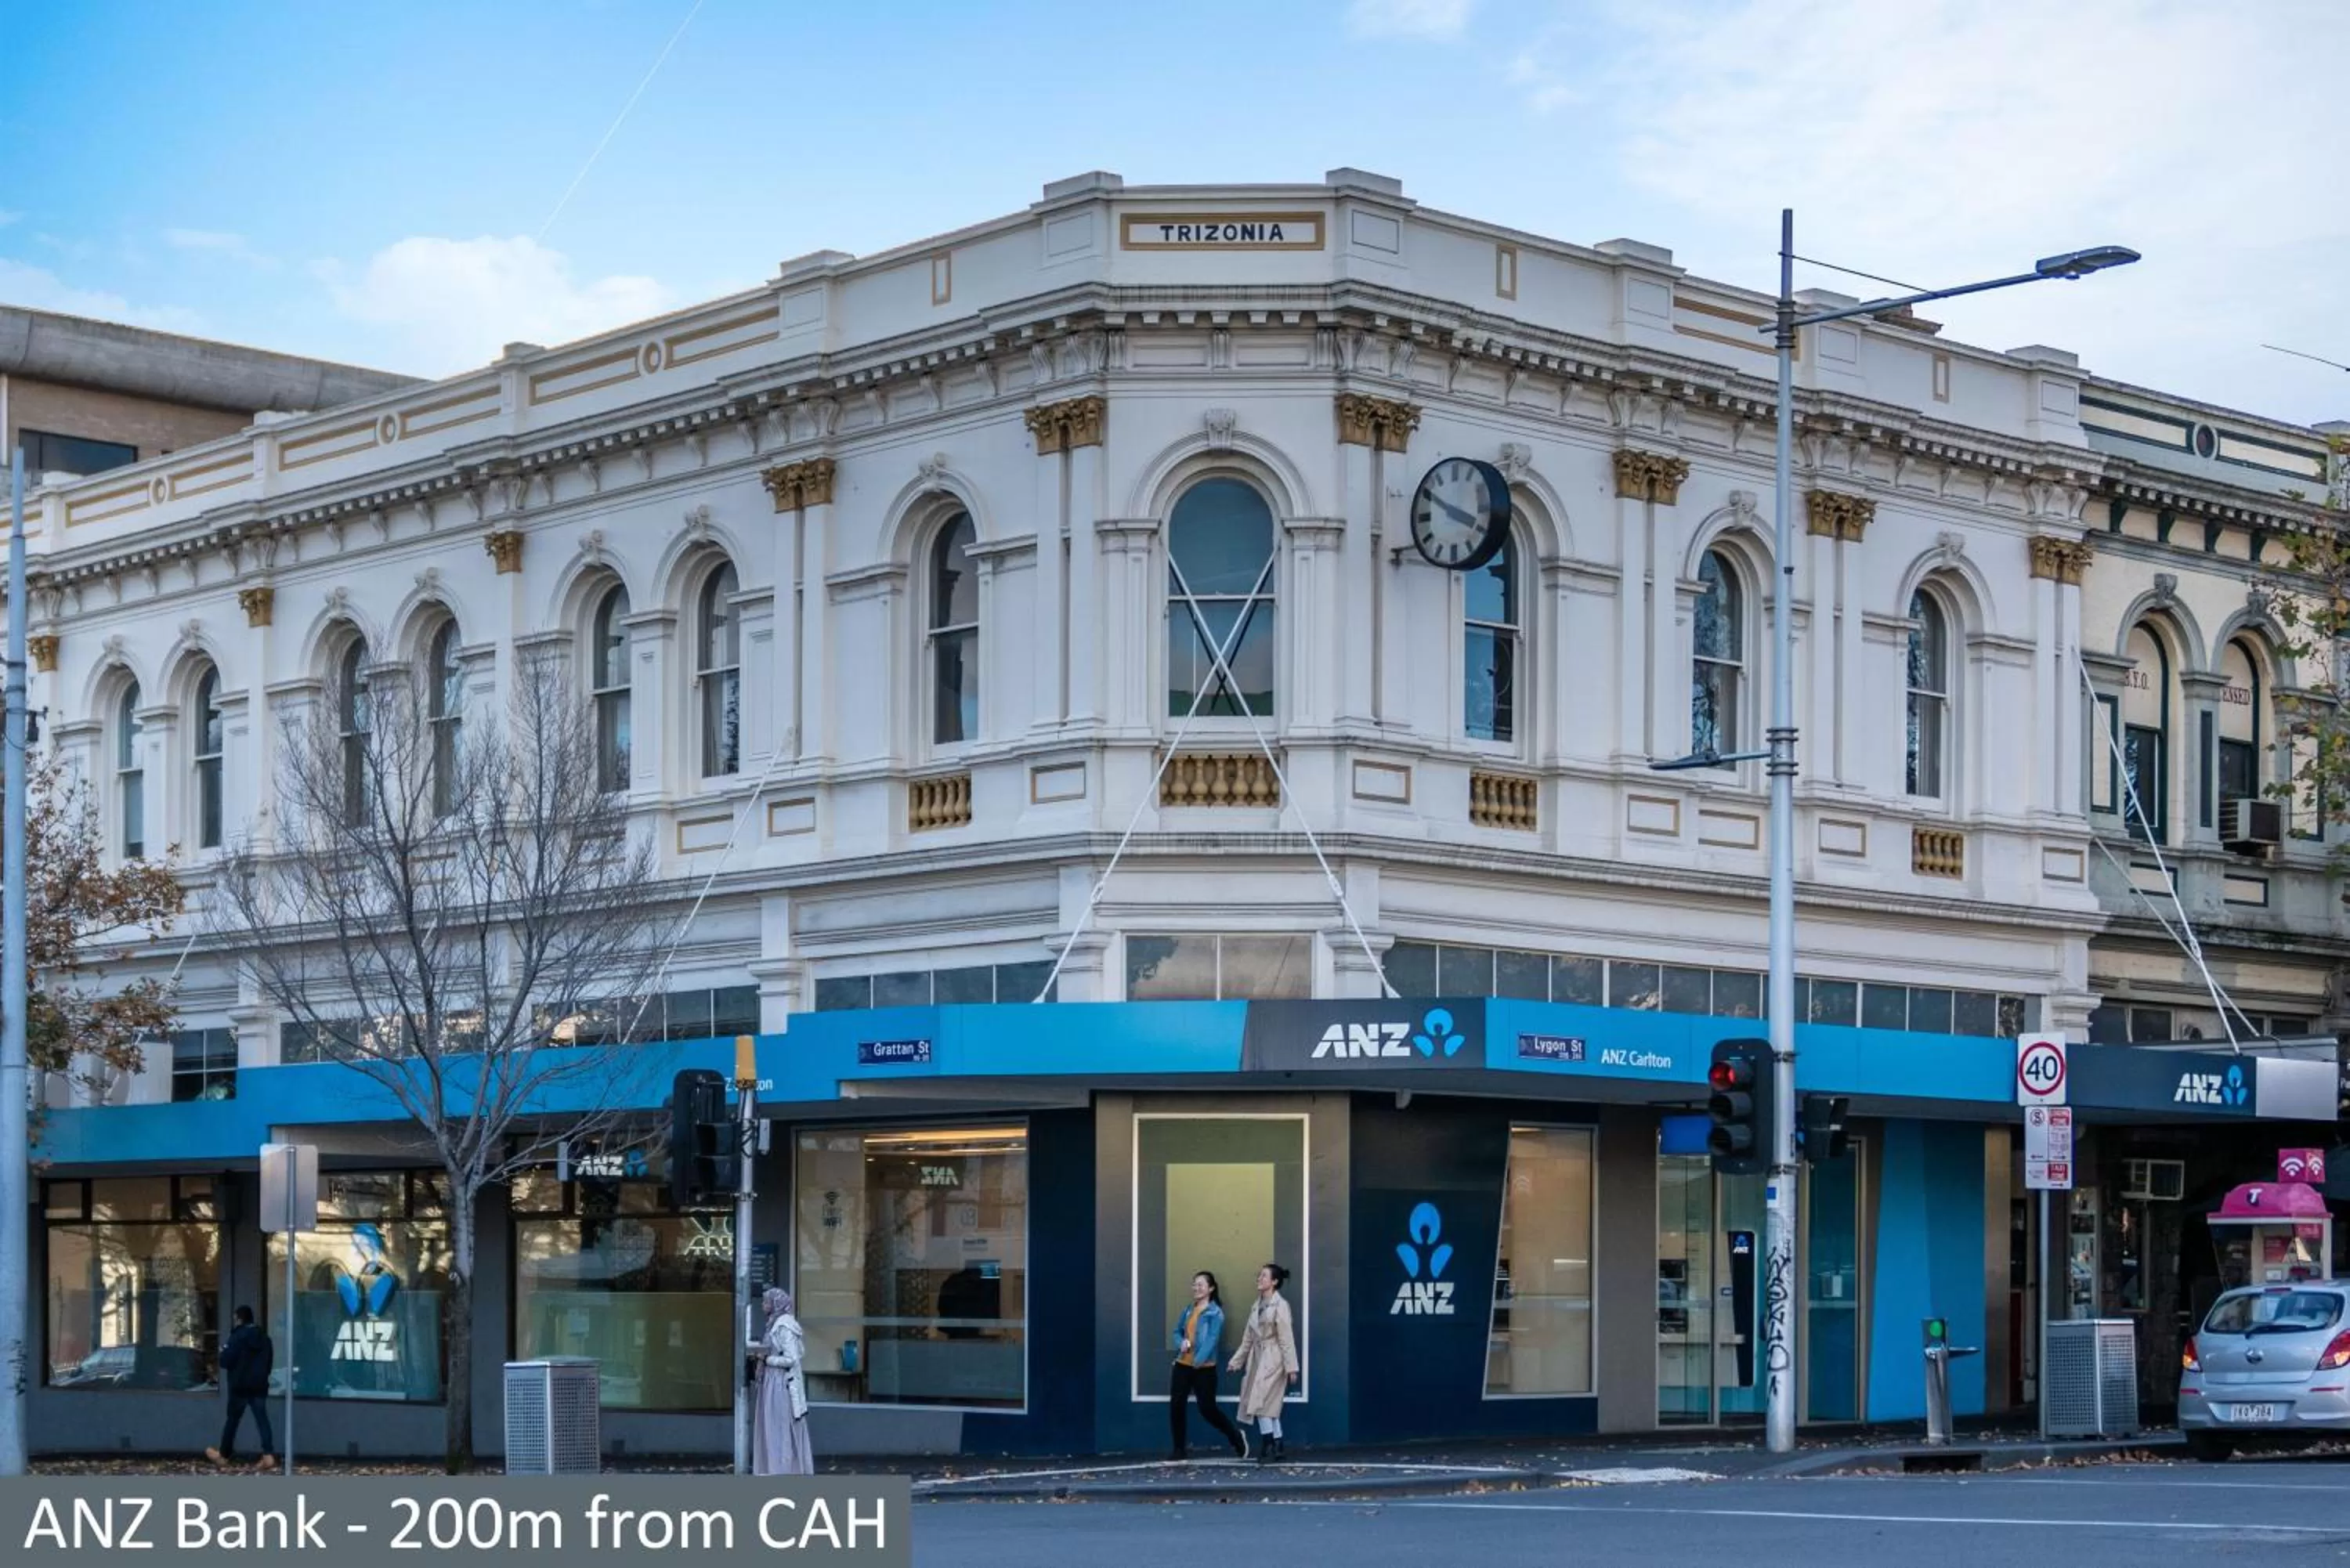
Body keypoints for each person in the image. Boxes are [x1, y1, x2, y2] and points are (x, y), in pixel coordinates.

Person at [1168, 1271, 1247, 1461]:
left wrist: (1196, 1363)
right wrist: (1180, 1343)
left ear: (1211, 1288)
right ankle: (1179, 1449)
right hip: (1182, 1365)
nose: (1196, 1288)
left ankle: (1236, 1436)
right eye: (1194, 1284)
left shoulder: (1215, 1313)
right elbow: (1177, 1332)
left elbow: (1211, 1341)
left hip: (1204, 1368)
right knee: (1176, 1405)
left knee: (1208, 1409)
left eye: (1200, 1285)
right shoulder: (1189, 1310)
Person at [1227, 1263, 1299, 1463]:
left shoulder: (1280, 1305)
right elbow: (1248, 1338)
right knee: (1268, 1404)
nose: (1259, 1279)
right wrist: (1236, 1361)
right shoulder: (1257, 1305)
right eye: (1259, 1276)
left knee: (1260, 1402)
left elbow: (1286, 1338)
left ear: (1274, 1282)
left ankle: (1268, 1443)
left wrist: (1291, 1367)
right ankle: (1278, 1444)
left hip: (1274, 1358)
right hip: (1258, 1358)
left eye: (1264, 1276)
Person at [751, 1287, 815, 1476]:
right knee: (773, 1427)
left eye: (766, 1302)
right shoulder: (774, 1324)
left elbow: (792, 1358)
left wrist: (767, 1359)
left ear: (775, 1304)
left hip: (780, 1383)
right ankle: (773, 1469)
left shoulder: (784, 1327)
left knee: (779, 1427)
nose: (763, 1305)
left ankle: (783, 1470)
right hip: (772, 1381)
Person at [206, 1306, 277, 1471]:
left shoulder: (237, 1337)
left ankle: (224, 1455)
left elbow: (225, 1361)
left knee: (232, 1420)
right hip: (259, 1386)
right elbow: (269, 1362)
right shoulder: (264, 1338)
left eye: (235, 1318)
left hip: (240, 1386)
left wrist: (222, 1353)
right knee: (262, 1420)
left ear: (239, 1319)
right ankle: (268, 1455)